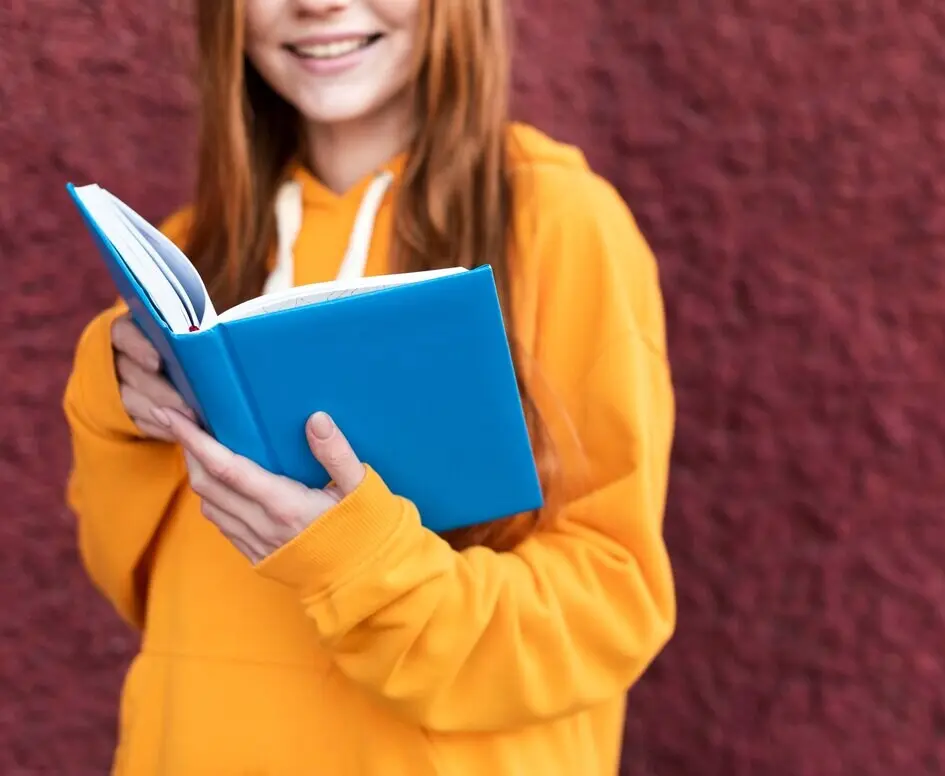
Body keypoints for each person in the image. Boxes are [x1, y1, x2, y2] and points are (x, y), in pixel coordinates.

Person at [60, 0, 676, 772]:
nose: (318, 3)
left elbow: (609, 609)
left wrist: (360, 569)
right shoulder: (182, 260)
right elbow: (135, 579)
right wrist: (109, 396)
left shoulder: (561, 224)